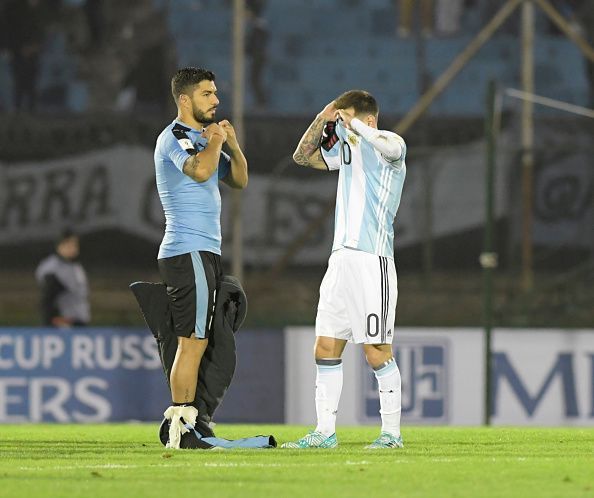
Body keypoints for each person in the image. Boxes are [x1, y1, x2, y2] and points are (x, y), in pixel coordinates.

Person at [282, 90, 407, 450]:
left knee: (376, 351)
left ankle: (391, 435)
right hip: (340, 260)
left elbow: (393, 148)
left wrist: (351, 123)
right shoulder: (347, 153)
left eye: (347, 118)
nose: (341, 124)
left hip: (373, 261)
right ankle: (324, 432)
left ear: (367, 119)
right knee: (325, 346)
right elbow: (302, 157)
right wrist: (324, 118)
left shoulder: (389, 146)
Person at [154, 67, 248, 449]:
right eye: (208, 94)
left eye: (215, 93)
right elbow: (202, 171)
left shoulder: (201, 138)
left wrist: (233, 145)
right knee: (191, 341)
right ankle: (180, 425)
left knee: (204, 339)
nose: (216, 100)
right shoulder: (175, 138)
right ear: (185, 99)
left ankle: (193, 420)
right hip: (185, 249)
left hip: (205, 250)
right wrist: (213, 142)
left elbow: (238, 179)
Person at [35, 229, 90, 328]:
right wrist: (50, 323)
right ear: (60, 246)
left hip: (78, 321)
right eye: (69, 245)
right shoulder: (53, 268)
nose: (73, 248)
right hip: (64, 324)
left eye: (75, 245)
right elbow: (47, 300)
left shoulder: (74, 265)